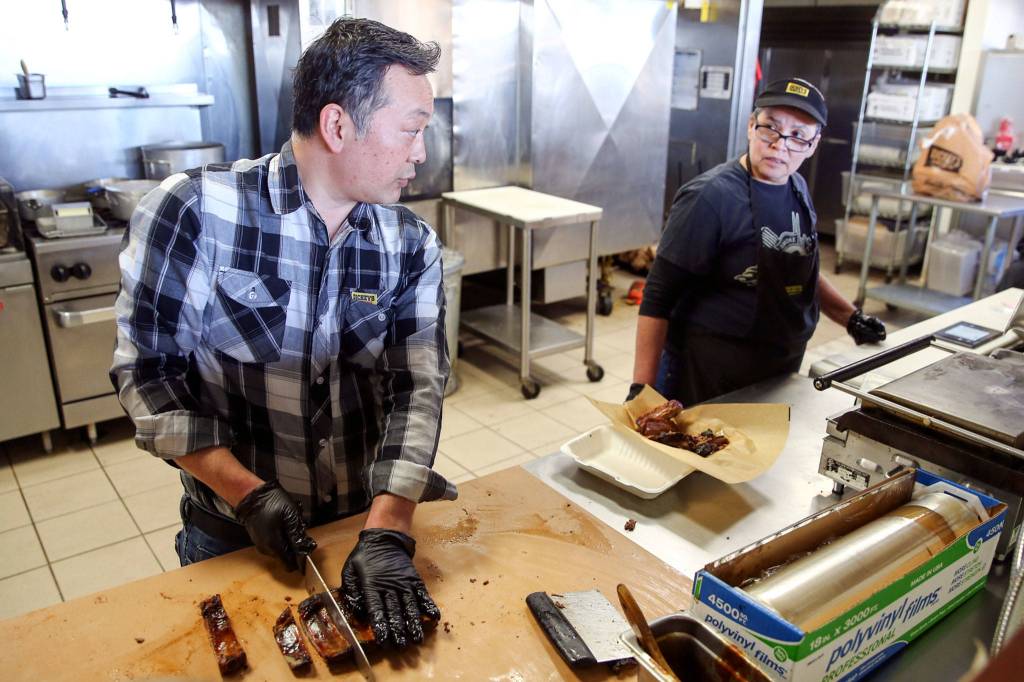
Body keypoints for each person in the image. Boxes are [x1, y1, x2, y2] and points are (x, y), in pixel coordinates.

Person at [111, 18, 453, 649]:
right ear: (337, 125)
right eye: (411, 129)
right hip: (234, 532)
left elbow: (418, 387)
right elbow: (148, 376)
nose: (421, 152)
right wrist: (245, 495)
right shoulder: (195, 213)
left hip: (361, 524)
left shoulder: (410, 245)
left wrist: (388, 529)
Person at [630, 78, 886, 405]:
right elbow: (658, 295)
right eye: (771, 129)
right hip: (707, 372)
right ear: (752, 126)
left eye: (797, 136)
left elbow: (798, 268)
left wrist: (851, 318)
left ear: (813, 144)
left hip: (779, 366)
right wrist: (641, 389)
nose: (780, 146)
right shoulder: (710, 197)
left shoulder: (797, 187)